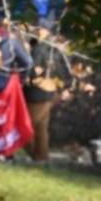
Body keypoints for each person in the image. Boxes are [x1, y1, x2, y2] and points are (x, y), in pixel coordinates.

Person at [24, 34, 68, 162]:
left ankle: (34, 154)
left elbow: (34, 71)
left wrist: (28, 78)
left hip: (36, 94)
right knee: (41, 128)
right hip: (49, 93)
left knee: (26, 126)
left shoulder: (38, 50)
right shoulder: (52, 51)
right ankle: (42, 156)